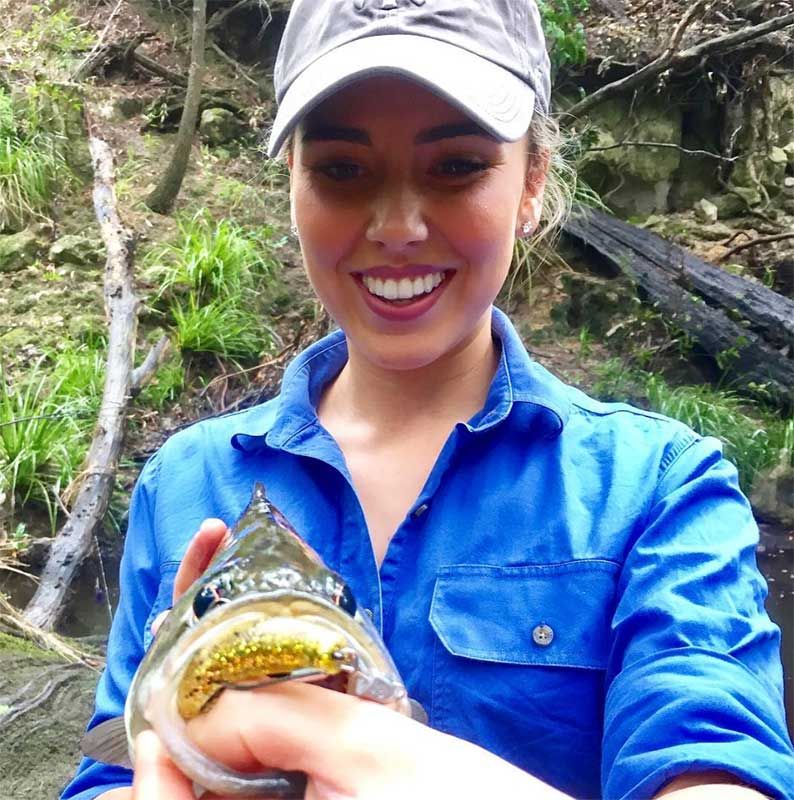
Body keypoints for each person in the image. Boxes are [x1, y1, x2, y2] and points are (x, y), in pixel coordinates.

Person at [63, 1, 794, 798]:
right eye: (343, 170)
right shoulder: (183, 480)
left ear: (532, 183)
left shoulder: (661, 486)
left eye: (456, 166)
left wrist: (357, 750)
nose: (398, 226)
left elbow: (715, 765)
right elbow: (112, 765)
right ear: (293, 182)